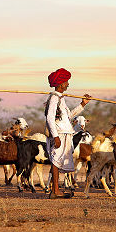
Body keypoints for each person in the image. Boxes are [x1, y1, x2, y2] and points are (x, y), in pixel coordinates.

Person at [45, 68, 91, 199]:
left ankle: (56, 190)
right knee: (55, 160)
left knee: (58, 160)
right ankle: (55, 191)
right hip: (59, 133)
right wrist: (55, 137)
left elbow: (68, 117)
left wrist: (83, 104)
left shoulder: (61, 99)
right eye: (66, 82)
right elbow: (49, 118)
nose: (68, 84)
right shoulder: (54, 98)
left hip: (65, 132)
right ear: (60, 84)